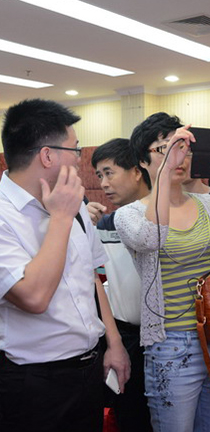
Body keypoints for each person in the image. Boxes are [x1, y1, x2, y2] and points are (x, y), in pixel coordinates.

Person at [114, 112, 210, 432]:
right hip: (170, 344)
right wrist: (164, 175)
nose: (179, 158)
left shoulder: (208, 204)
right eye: (165, 149)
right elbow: (152, 238)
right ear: (142, 161)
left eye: (184, 149)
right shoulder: (128, 215)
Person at [0, 99, 130, 432]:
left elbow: (92, 277)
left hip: (88, 369)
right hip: (32, 383)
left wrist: (114, 343)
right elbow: (33, 297)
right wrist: (60, 217)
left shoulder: (73, 205)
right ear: (48, 155)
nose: (78, 159)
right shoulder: (7, 215)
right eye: (75, 149)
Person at [90, 138, 153, 432]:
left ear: (137, 171)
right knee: (131, 417)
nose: (103, 183)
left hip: (167, 337)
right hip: (124, 337)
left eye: (109, 173)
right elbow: (97, 279)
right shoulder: (104, 224)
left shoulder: (160, 217)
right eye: (99, 175)